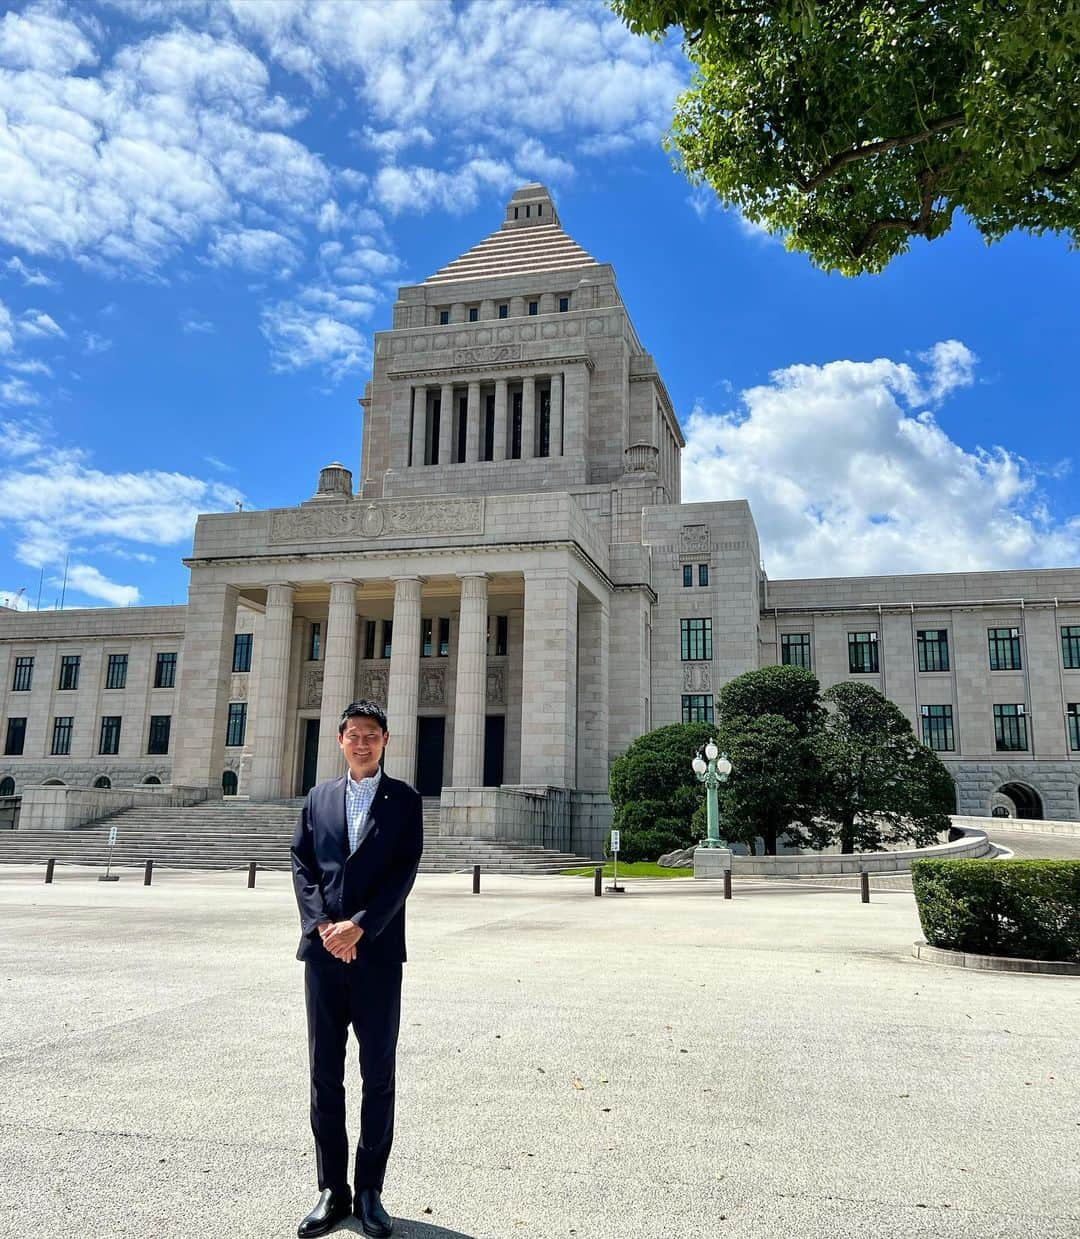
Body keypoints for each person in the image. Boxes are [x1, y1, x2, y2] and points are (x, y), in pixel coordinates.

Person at [290, 699, 424, 1238]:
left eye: (371, 734)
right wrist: (324, 926)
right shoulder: (319, 797)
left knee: (377, 1074)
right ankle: (332, 1188)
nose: (362, 742)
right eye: (353, 734)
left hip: (377, 955)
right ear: (340, 740)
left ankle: (369, 1189)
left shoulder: (404, 800)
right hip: (324, 957)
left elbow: (402, 872)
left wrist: (360, 927)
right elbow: (302, 864)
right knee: (324, 1073)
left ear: (386, 740)